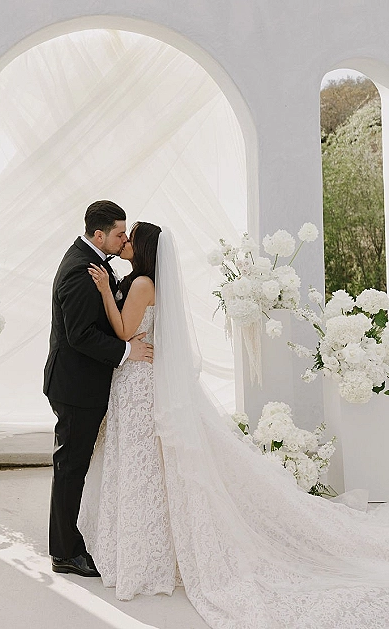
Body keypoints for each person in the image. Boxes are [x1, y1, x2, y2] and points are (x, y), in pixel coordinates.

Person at [79, 223, 389, 629]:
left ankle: (144, 554)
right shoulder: (144, 282)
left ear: (144, 248)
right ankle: (151, 548)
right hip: (140, 377)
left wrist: (104, 291)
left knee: (143, 467)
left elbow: (123, 331)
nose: (126, 241)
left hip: (138, 382)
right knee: (149, 467)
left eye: (131, 237)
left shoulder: (141, 285)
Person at [43, 200, 153, 578]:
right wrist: (126, 349)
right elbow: (79, 335)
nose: (124, 240)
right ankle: (65, 552)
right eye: (120, 234)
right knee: (70, 466)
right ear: (99, 234)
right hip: (75, 385)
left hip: (84, 383)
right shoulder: (78, 269)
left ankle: (72, 539)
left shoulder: (94, 263)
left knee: (75, 465)